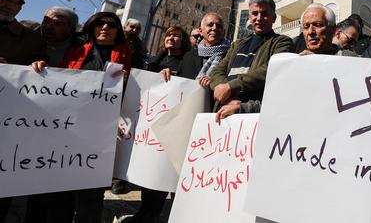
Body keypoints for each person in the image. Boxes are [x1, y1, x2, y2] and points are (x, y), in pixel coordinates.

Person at [32, 11, 131, 223]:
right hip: (68, 130)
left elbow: (143, 85)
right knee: (61, 191)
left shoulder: (130, 56)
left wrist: (133, 81)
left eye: (111, 25)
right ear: (92, 27)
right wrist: (40, 71)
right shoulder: (75, 52)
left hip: (102, 134)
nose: (105, 28)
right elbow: (59, 83)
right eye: (100, 24)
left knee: (91, 195)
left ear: (118, 31)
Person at [23, 6, 84, 223]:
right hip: (25, 124)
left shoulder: (84, 50)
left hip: (65, 130)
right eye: (46, 21)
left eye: (57, 23)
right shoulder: (28, 42)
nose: (49, 26)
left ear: (71, 28)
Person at [124, 26, 191, 223]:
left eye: (177, 35)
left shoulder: (189, 60)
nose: (172, 38)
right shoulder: (153, 61)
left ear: (183, 41)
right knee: (152, 176)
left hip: (177, 127)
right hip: (150, 129)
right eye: (169, 35)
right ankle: (147, 214)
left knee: (170, 176)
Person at [0, 0, 46, 223]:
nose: (12, 6)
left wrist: (34, 69)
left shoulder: (31, 40)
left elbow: (40, 81)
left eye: (18, 3)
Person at [209, 0, 293, 122]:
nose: (259, 18)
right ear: (249, 17)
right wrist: (228, 96)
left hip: (252, 116)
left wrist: (231, 87)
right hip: (223, 111)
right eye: (255, 13)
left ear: (274, 18)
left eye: (264, 13)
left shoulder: (282, 42)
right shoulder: (237, 44)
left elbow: (271, 70)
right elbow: (217, 71)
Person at [166, 13, 231, 83]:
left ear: (223, 32)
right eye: (210, 25)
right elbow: (179, 82)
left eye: (218, 26)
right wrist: (167, 75)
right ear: (201, 31)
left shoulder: (231, 56)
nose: (214, 28)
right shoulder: (188, 56)